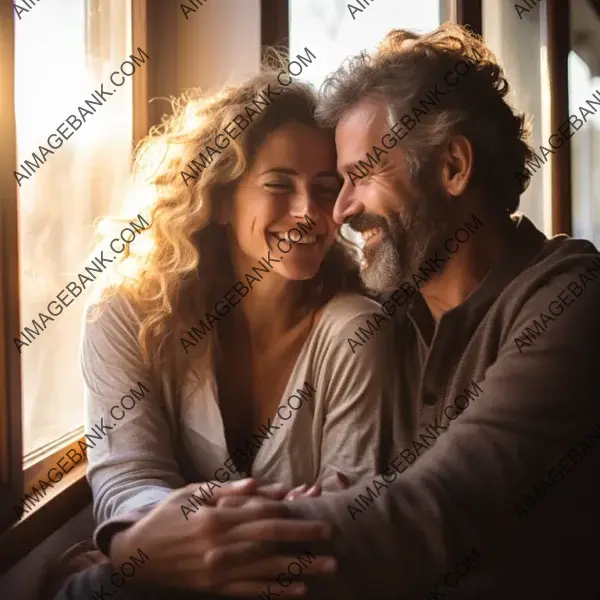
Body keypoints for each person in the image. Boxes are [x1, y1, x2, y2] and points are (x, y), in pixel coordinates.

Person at [110, 22, 600, 600]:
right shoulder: (391, 314)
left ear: (452, 168)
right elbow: (346, 494)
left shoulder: (572, 300)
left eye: (358, 177)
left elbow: (437, 509)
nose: (336, 212)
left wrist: (151, 560)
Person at [51, 67, 400, 599]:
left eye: (325, 190)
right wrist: (147, 545)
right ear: (217, 199)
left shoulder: (356, 332)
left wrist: (143, 556)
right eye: (279, 185)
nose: (308, 212)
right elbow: (127, 479)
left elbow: (342, 525)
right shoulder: (124, 314)